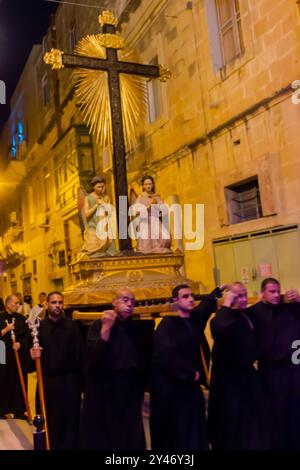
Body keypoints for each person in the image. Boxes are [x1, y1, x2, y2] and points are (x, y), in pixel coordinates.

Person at [150, 284, 223, 450]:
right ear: (175, 301)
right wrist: (189, 374)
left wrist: (218, 290)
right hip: (173, 389)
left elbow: (205, 306)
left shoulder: (193, 319)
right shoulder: (167, 324)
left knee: (195, 429)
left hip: (190, 387)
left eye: (191, 296)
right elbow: (167, 355)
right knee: (178, 432)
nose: (191, 299)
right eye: (185, 296)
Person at [81, 288, 150, 450]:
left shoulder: (136, 329)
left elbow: (141, 361)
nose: (129, 305)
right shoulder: (99, 325)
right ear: (114, 302)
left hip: (129, 390)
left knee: (130, 435)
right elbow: (92, 359)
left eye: (132, 301)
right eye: (125, 300)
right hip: (105, 389)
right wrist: (106, 328)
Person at [208, 282, 270, 449]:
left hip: (246, 376)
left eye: (244, 295)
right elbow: (218, 329)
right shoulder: (223, 317)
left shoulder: (245, 315)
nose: (243, 299)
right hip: (229, 380)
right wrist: (227, 304)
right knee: (233, 423)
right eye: (238, 296)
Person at [248, 278, 300, 449]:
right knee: (274, 410)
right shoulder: (254, 312)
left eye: (278, 291)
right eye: (271, 291)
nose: (276, 295)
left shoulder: (289, 307)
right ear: (262, 293)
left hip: (292, 368)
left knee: (294, 407)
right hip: (269, 371)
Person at [29, 291, 84, 450]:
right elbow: (31, 361)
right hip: (47, 383)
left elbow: (80, 356)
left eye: (60, 302)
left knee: (70, 421)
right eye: (54, 302)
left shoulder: (72, 326)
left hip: (69, 383)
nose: (57, 305)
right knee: (50, 421)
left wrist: (81, 385)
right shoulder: (39, 327)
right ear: (47, 304)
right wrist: (33, 355)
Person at [0, 295, 28, 419]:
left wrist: (20, 343)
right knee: (3, 380)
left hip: (18, 354)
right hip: (2, 354)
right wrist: (6, 329)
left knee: (18, 380)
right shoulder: (0, 317)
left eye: (19, 303)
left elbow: (27, 336)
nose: (18, 305)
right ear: (8, 304)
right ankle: (2, 409)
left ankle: (19, 410)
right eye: (16, 303)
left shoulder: (21, 319)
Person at [133, 175, 171, 254]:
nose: (148, 186)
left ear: (153, 185)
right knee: (147, 243)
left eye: (150, 184)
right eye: (146, 184)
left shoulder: (156, 196)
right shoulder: (141, 197)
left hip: (155, 220)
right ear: (143, 186)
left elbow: (164, 210)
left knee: (165, 238)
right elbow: (136, 211)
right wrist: (149, 206)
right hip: (145, 222)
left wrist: (160, 205)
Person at [81, 175, 118, 257]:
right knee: (93, 249)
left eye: (102, 186)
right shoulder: (88, 198)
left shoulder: (106, 197)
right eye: (98, 187)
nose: (101, 189)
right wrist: (96, 205)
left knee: (109, 249)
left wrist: (104, 205)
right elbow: (86, 214)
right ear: (93, 187)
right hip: (93, 227)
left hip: (105, 227)